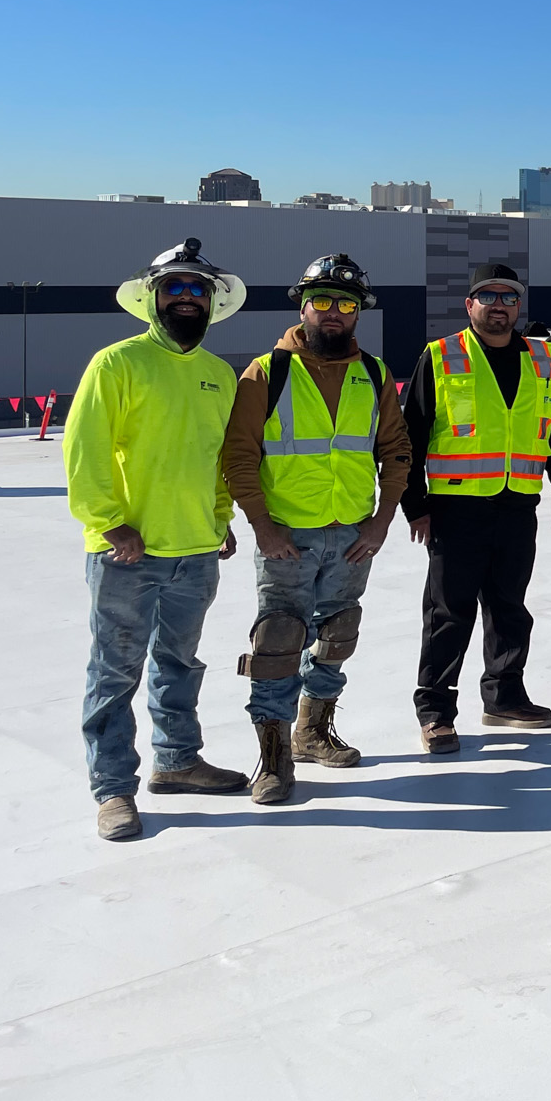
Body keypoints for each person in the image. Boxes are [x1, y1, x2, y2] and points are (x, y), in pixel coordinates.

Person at [66, 239, 249, 841]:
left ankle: (177, 761)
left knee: (179, 663)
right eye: (176, 288)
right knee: (115, 671)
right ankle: (113, 789)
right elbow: (86, 448)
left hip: (194, 549)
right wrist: (107, 521)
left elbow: (219, 459)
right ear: (153, 298)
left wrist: (220, 519)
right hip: (127, 552)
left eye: (199, 289)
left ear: (212, 302)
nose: (188, 298)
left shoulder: (219, 375)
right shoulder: (116, 363)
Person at [223, 254, 411, 804]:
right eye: (322, 301)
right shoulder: (267, 371)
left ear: (358, 313)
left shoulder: (372, 374)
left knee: (338, 635)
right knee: (279, 641)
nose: (334, 313)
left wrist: (380, 521)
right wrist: (262, 526)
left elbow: (395, 450)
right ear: (302, 305)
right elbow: (238, 456)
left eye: (346, 304)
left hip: (352, 535)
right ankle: (274, 759)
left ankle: (312, 731)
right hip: (288, 536)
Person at [402, 264, 551, 753]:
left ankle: (504, 696)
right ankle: (435, 711)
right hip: (456, 507)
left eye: (508, 297)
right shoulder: (440, 356)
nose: (498, 305)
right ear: (470, 305)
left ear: (518, 306)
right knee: (447, 613)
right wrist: (415, 504)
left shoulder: (543, 359)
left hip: (518, 503)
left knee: (509, 609)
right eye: (488, 296)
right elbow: (409, 435)